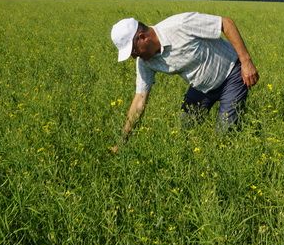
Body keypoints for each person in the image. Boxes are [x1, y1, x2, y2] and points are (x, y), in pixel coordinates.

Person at [109, 11, 259, 152]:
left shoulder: (180, 25)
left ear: (142, 37)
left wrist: (246, 62)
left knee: (224, 136)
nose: (134, 57)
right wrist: (122, 141)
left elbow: (226, 23)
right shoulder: (145, 62)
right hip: (201, 86)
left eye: (133, 51)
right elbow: (140, 100)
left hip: (232, 73)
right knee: (183, 132)